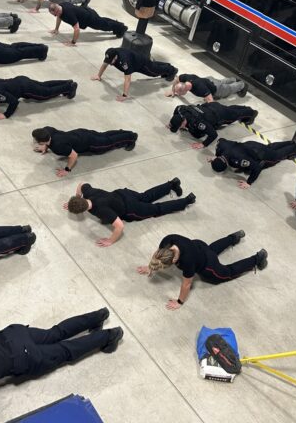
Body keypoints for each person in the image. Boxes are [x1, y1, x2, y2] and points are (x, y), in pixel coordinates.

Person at [137, 231, 268, 309]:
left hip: (207, 263)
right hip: (198, 245)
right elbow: (158, 255)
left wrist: (179, 302)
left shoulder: (187, 261)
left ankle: (258, 258)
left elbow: (187, 284)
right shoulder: (167, 241)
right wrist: (150, 267)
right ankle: (234, 236)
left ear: (173, 261)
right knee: (210, 249)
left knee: (225, 273)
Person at [64, 179, 196, 247]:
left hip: (131, 208)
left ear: (83, 211)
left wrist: (110, 240)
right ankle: (171, 184)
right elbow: (82, 183)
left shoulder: (101, 210)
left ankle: (186, 201)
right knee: (145, 196)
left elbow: (120, 226)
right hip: (123, 194)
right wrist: (76, 198)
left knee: (156, 209)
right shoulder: (89, 193)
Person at [32, 126, 138, 177]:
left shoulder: (58, 146)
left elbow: (74, 155)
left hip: (91, 143)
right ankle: (123, 132)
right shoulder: (47, 130)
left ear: (42, 141)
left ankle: (131, 137)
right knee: (103, 135)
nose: (35, 141)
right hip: (81, 133)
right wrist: (45, 147)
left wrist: (67, 170)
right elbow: (48, 139)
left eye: (38, 141)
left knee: (109, 142)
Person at [0, 76, 77, 119]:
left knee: (45, 94)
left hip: (25, 89)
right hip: (20, 80)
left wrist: (6, 114)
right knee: (43, 85)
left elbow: (14, 101)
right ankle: (66, 82)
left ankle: (69, 87)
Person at [209, 137, 296, 188]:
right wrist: (216, 156)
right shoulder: (222, 147)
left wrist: (249, 182)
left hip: (258, 152)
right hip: (250, 144)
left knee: (275, 155)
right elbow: (220, 140)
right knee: (270, 147)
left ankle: (295, 146)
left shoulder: (239, 161)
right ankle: (290, 142)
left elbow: (257, 168)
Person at [93, 47, 177, 101]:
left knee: (154, 72)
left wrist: (125, 95)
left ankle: (172, 70)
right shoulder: (111, 54)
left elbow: (128, 78)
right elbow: (104, 65)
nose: (110, 63)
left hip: (141, 63)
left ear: (115, 57)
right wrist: (98, 75)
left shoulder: (124, 61)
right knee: (154, 66)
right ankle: (167, 66)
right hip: (134, 59)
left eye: (111, 61)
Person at [168, 103, 257, 148]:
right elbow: (176, 110)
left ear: (183, 121)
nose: (180, 128)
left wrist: (203, 144)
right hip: (210, 106)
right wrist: (172, 123)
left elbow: (213, 135)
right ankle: (246, 108)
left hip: (219, 114)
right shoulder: (181, 110)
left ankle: (252, 112)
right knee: (229, 109)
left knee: (234, 114)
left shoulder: (198, 123)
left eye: (180, 126)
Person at [48, 2, 127, 45]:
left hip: (89, 18)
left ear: (57, 10)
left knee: (104, 25)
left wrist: (73, 42)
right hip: (86, 11)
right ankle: (119, 25)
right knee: (103, 21)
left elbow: (77, 29)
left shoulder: (68, 14)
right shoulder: (61, 6)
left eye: (55, 14)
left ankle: (121, 28)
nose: (55, 16)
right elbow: (59, 17)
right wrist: (56, 29)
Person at [167, 73, 247, 102]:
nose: (179, 94)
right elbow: (176, 80)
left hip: (216, 89)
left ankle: (242, 84)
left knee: (229, 88)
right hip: (209, 80)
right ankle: (234, 79)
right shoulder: (184, 78)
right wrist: (173, 91)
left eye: (179, 93)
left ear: (185, 89)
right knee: (221, 81)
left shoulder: (200, 88)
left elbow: (210, 100)